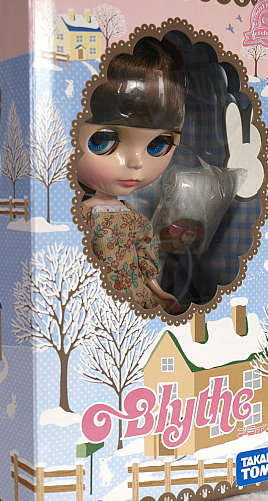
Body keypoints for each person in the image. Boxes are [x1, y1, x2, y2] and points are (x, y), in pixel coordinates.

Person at [77, 37, 186, 313]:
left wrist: (161, 294)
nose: (137, 162)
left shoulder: (136, 221)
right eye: (102, 141)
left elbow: (145, 265)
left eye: (158, 144)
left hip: (135, 303)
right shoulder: (76, 218)